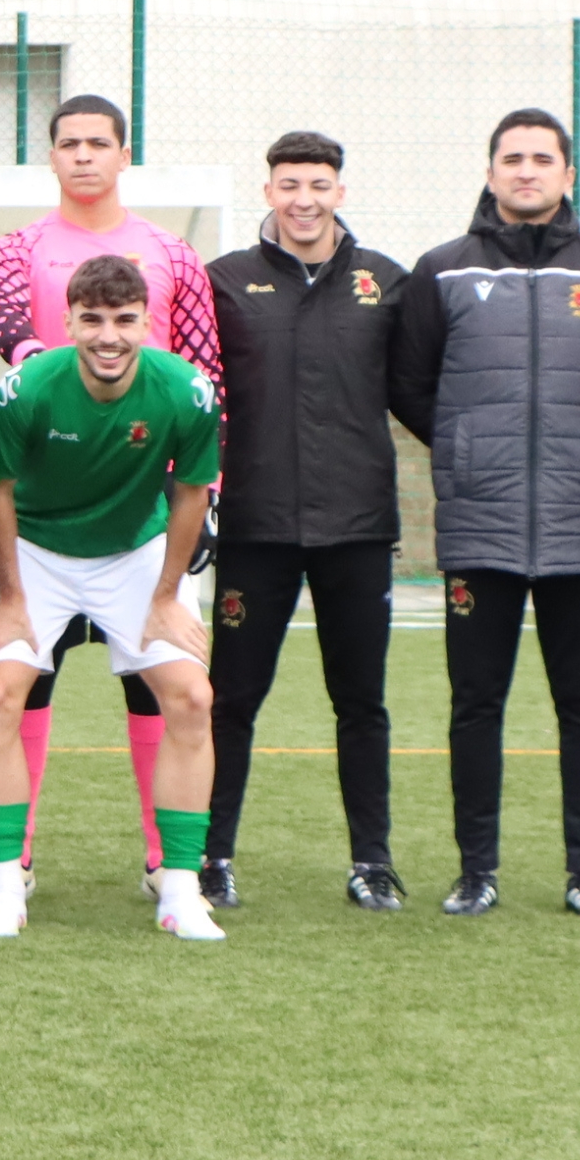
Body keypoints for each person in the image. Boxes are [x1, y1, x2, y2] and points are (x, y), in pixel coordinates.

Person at [387, 109, 580, 920]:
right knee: (476, 702)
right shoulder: (443, 270)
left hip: (579, 525)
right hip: (480, 523)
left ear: (567, 173)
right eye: (512, 158)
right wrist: (465, 448)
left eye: (542, 158)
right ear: (490, 171)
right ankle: (478, 870)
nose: (526, 171)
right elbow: (408, 383)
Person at [0, 93, 221, 887]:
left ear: (123, 154)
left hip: (143, 512)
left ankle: (166, 862)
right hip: (43, 508)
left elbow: (203, 373)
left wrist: (210, 496)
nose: (83, 154)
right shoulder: (12, 250)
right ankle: (17, 860)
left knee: (165, 684)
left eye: (99, 142)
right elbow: (9, 336)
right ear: (51, 155)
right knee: (21, 682)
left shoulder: (173, 253)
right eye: (68, 142)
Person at [203, 130, 411, 912]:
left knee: (361, 701)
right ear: (269, 191)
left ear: (340, 192)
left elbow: (419, 394)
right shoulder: (226, 281)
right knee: (232, 698)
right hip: (256, 529)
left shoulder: (386, 282)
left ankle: (372, 862)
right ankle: (211, 855)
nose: (304, 199)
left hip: (357, 528)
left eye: (319, 183)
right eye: (289, 183)